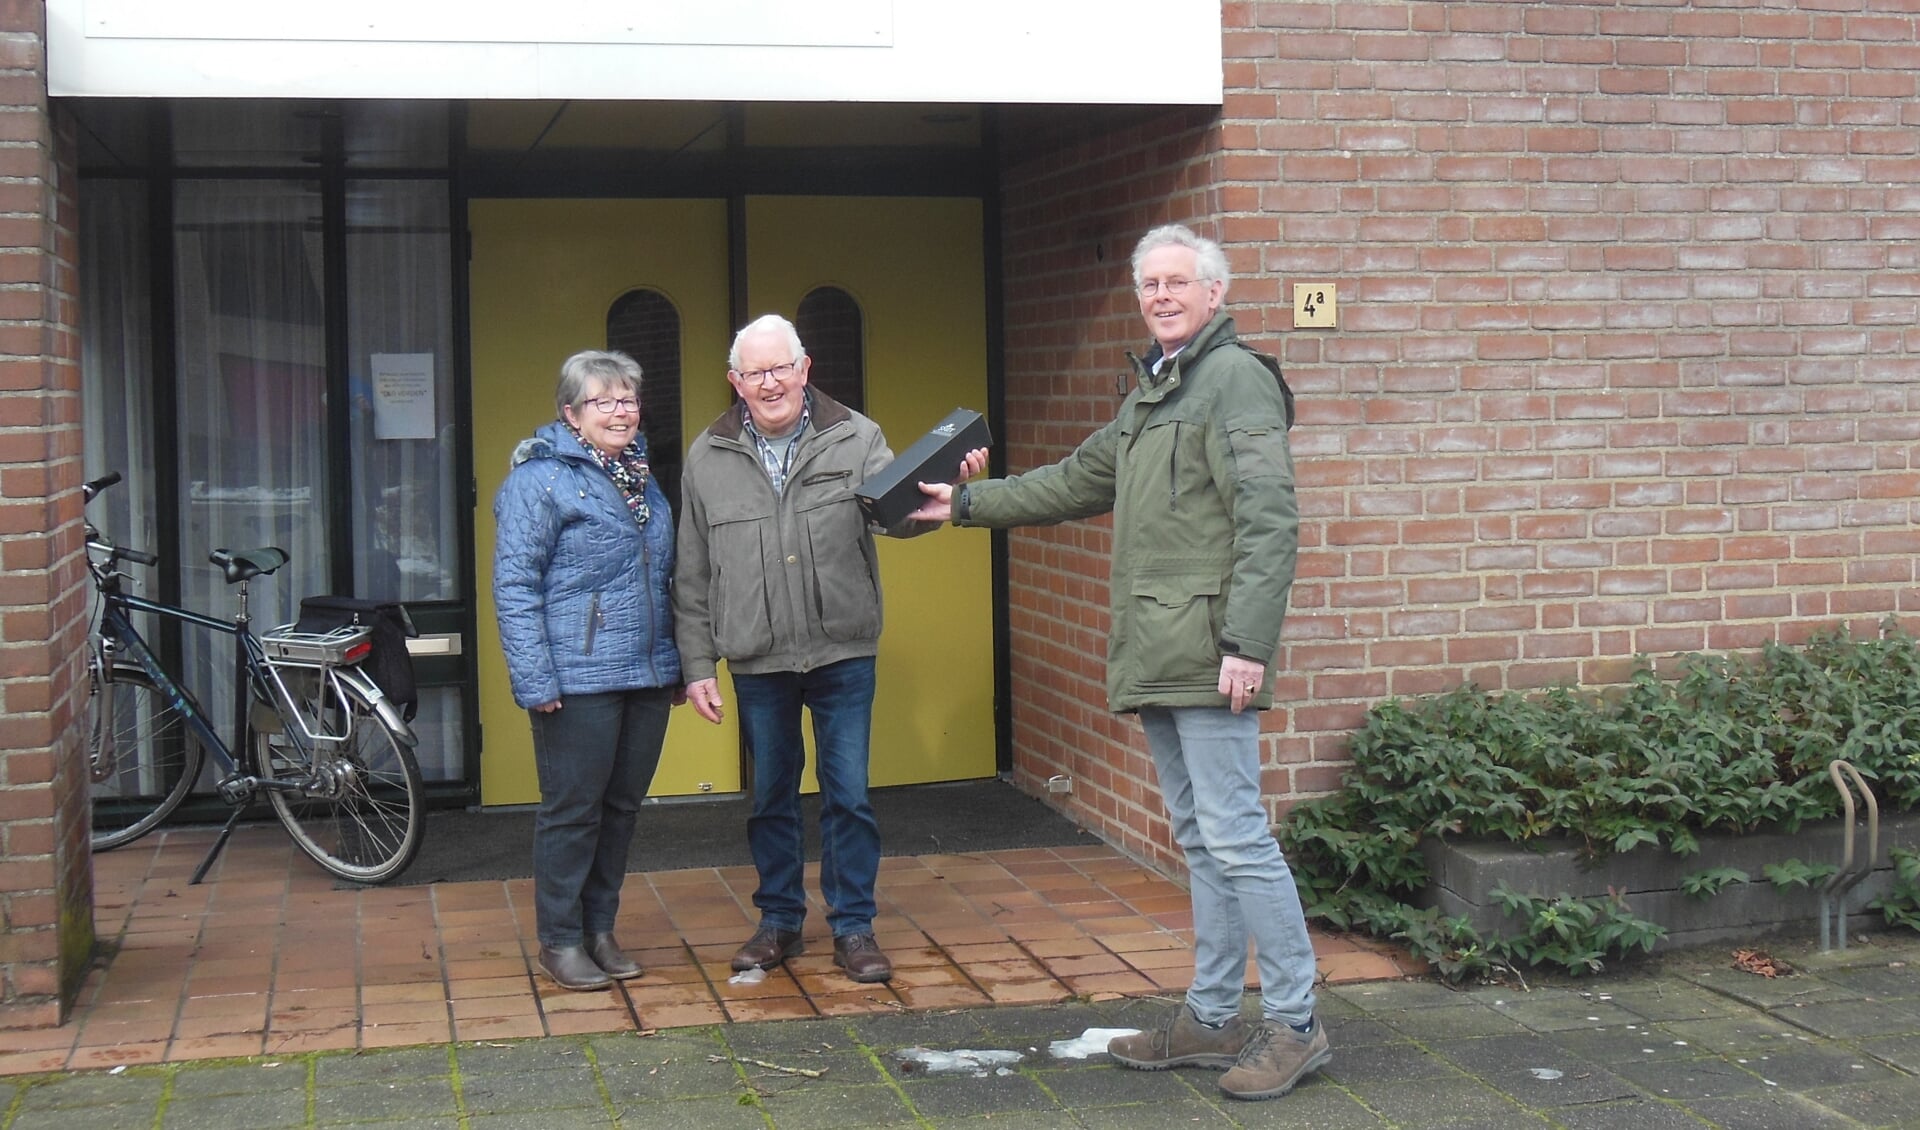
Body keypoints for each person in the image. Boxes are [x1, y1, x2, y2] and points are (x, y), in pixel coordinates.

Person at [911, 224, 1326, 1102]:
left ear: (1215, 294)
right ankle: (1211, 1019)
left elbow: (1270, 519)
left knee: (1240, 839)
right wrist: (966, 503)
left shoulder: (1234, 381)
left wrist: (1249, 644)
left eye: (1179, 282)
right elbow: (1072, 480)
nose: (1163, 296)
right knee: (1203, 842)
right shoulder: (1155, 391)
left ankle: (1296, 1023)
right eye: (1150, 285)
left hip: (1213, 653)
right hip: (1159, 649)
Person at [674, 313, 951, 985]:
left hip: (841, 650)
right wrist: (695, 664)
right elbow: (692, 569)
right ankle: (779, 923)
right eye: (754, 373)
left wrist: (944, 494)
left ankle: (854, 928)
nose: (769, 383)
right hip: (757, 654)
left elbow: (898, 518)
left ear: (805, 369)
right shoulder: (706, 457)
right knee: (771, 794)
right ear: (736, 383)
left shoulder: (856, 438)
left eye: (780, 368)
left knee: (848, 793)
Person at [493, 349, 680, 992]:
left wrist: (674, 662)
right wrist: (536, 679)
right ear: (571, 413)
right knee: (574, 811)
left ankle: (599, 928)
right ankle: (561, 939)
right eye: (604, 401)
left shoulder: (639, 473)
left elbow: (657, 576)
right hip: (578, 676)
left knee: (622, 808)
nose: (620, 411)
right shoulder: (537, 481)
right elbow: (515, 585)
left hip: (646, 672)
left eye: (628, 398)